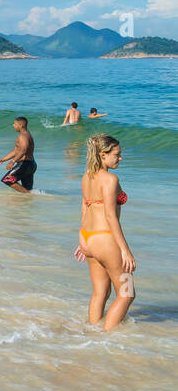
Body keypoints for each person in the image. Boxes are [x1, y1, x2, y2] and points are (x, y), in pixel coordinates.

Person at [74, 134, 136, 330]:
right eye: (117, 154)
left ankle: (92, 335)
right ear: (103, 154)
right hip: (106, 240)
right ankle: (106, 338)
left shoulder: (87, 176)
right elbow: (110, 216)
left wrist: (81, 240)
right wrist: (125, 250)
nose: (120, 158)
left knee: (100, 293)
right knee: (127, 293)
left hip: (89, 238)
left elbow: (85, 207)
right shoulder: (109, 179)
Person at [0, 116, 36, 193]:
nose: (13, 125)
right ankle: (29, 199)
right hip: (30, 164)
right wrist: (2, 160)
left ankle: (29, 195)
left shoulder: (23, 136)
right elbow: (16, 150)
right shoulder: (26, 134)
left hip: (24, 165)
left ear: (21, 125)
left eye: (15, 124)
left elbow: (23, 150)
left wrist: (12, 162)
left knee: (7, 180)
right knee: (27, 189)